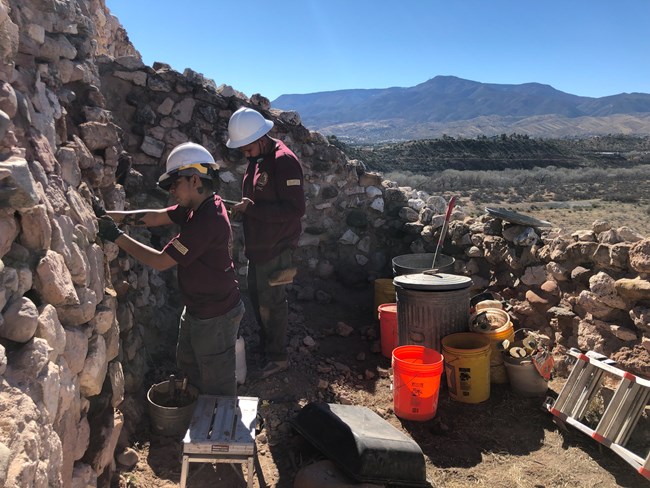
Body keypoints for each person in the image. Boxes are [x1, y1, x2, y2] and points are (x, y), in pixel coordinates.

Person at [94, 142, 244, 396]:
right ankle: (199, 417)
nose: (172, 190)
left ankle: (219, 429)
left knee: (216, 381)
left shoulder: (207, 221)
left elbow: (161, 261)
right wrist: (107, 214)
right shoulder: (198, 207)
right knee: (190, 365)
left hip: (215, 315)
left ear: (195, 179)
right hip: (200, 308)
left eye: (175, 183)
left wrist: (115, 235)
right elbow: (155, 217)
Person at [226, 107, 306, 379]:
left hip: (279, 248)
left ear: (261, 138)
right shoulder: (259, 157)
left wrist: (251, 211)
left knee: (273, 302)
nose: (244, 155)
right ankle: (268, 346)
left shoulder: (284, 162)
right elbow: (258, 196)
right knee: (259, 299)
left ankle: (277, 357)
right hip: (259, 247)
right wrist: (246, 206)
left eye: (246, 149)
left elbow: (295, 209)